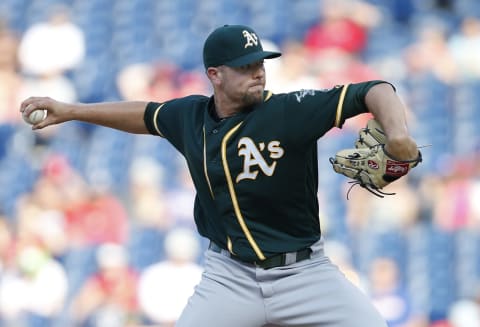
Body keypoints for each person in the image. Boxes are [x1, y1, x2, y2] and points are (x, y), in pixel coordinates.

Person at [20, 24, 419, 327]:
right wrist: (71, 110)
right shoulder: (189, 116)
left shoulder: (291, 110)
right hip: (230, 277)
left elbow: (374, 89)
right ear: (216, 75)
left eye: (260, 63)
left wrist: (398, 133)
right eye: (246, 67)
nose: (258, 73)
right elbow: (143, 115)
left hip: (304, 273)